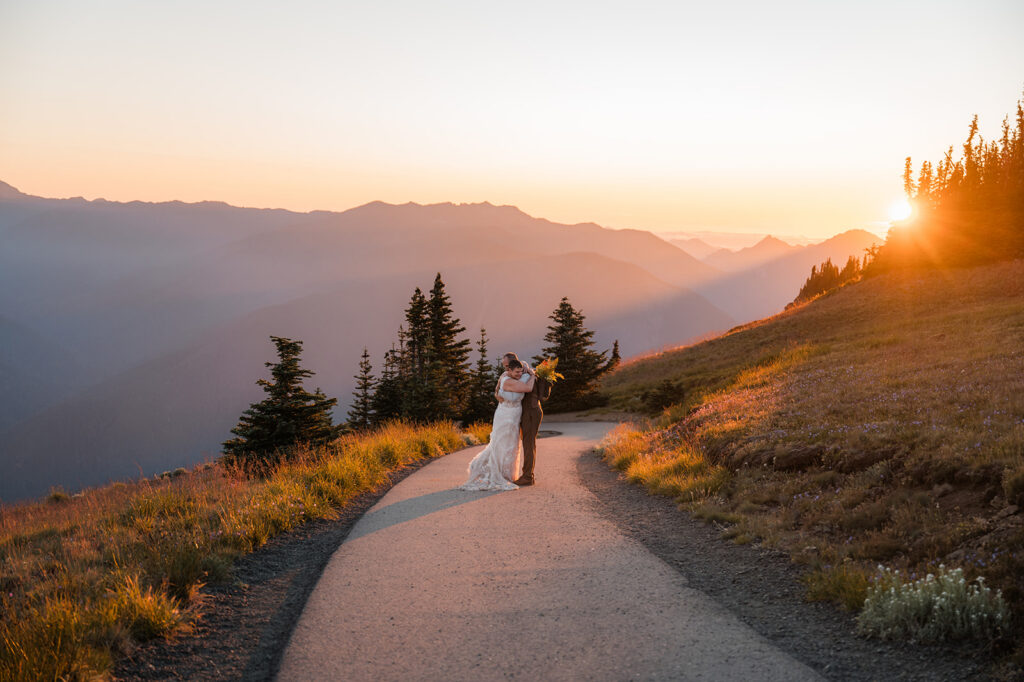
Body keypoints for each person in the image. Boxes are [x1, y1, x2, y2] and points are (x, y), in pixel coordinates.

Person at [459, 359, 536, 491]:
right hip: (505, 414)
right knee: (501, 443)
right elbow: (528, 388)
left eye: (520, 372)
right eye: (516, 372)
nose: (519, 374)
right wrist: (533, 374)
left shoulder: (509, 376)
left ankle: (509, 474)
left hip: (515, 414)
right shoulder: (507, 381)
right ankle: (495, 472)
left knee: (512, 444)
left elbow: (523, 374)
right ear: (509, 371)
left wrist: (526, 371)